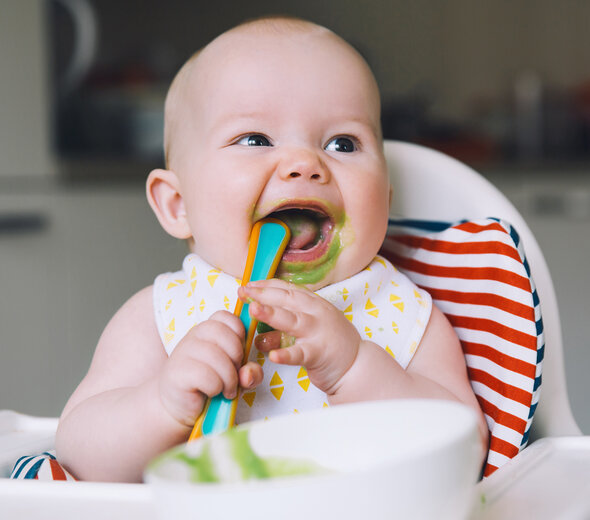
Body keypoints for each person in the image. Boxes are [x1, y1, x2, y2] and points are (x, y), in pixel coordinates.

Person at [55, 16, 488, 483]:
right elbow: (79, 455)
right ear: (178, 205)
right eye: (255, 139)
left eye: (343, 143)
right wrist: (160, 404)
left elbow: (463, 450)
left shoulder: (404, 314)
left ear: (384, 201)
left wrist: (356, 367)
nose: (305, 163)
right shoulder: (160, 317)